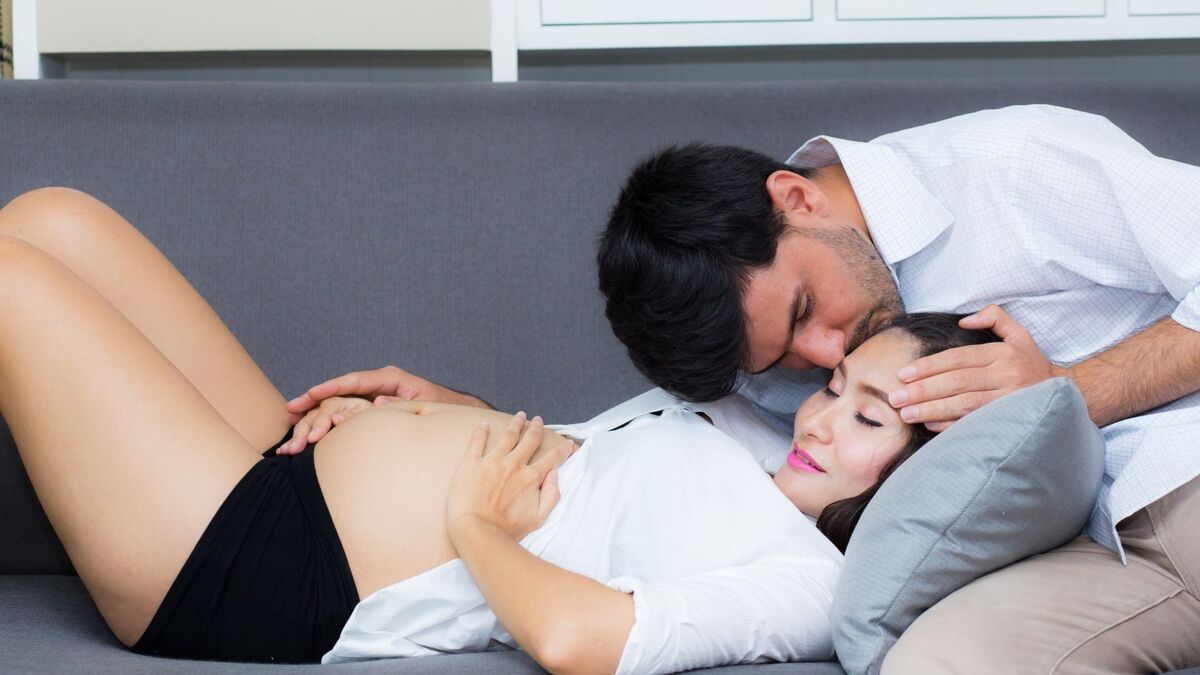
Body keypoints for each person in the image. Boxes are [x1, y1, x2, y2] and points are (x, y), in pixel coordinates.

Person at [295, 104, 1200, 672]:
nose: (825, 349)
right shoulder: (796, 383)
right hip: (1067, 559)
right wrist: (454, 416)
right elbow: (653, 450)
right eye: (802, 365)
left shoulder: (1011, 168)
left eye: (809, 307)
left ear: (795, 199)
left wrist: (1070, 392)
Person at [1, 188, 991, 672]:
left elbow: (576, 640)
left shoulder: (808, 585)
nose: (820, 410)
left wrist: (475, 526)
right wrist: (439, 409)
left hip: (257, 567)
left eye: (866, 415)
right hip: (287, 462)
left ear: (923, 475)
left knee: (8, 278)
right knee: (54, 219)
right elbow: (580, 461)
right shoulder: (758, 436)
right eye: (838, 384)